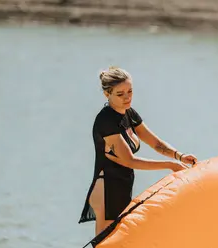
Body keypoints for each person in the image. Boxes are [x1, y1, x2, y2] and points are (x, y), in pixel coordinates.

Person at [79, 66, 197, 237]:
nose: (127, 97)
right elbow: (129, 160)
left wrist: (179, 156)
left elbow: (155, 143)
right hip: (107, 189)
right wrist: (170, 165)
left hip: (122, 185)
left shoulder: (129, 113)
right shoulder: (106, 120)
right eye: (120, 94)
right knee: (106, 245)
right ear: (107, 94)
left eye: (130, 91)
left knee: (121, 242)